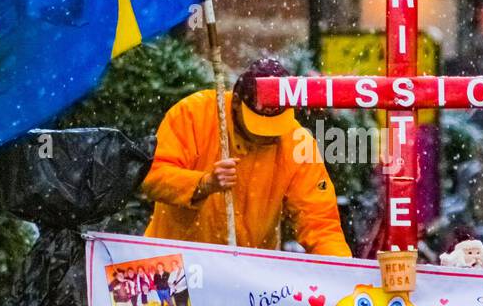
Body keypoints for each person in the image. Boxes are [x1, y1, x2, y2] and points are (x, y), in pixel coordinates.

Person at [141, 57, 351, 257]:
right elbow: (152, 177)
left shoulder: (297, 142)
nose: (267, 134)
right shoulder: (193, 114)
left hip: (246, 280)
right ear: (236, 104)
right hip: (173, 267)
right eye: (259, 125)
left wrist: (342, 271)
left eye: (276, 124)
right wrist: (203, 184)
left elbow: (320, 222)